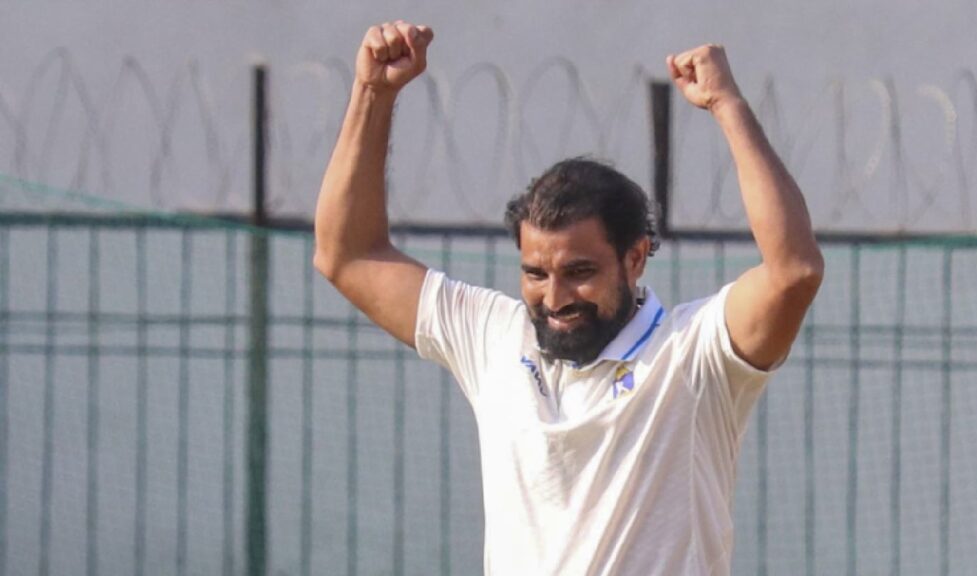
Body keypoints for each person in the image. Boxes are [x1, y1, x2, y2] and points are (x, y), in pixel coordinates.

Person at [314, 20, 824, 576]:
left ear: (635, 256)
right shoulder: (493, 336)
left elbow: (793, 271)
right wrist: (372, 92)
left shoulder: (693, 356)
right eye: (535, 272)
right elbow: (347, 255)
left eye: (579, 272)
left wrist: (727, 105)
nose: (554, 298)